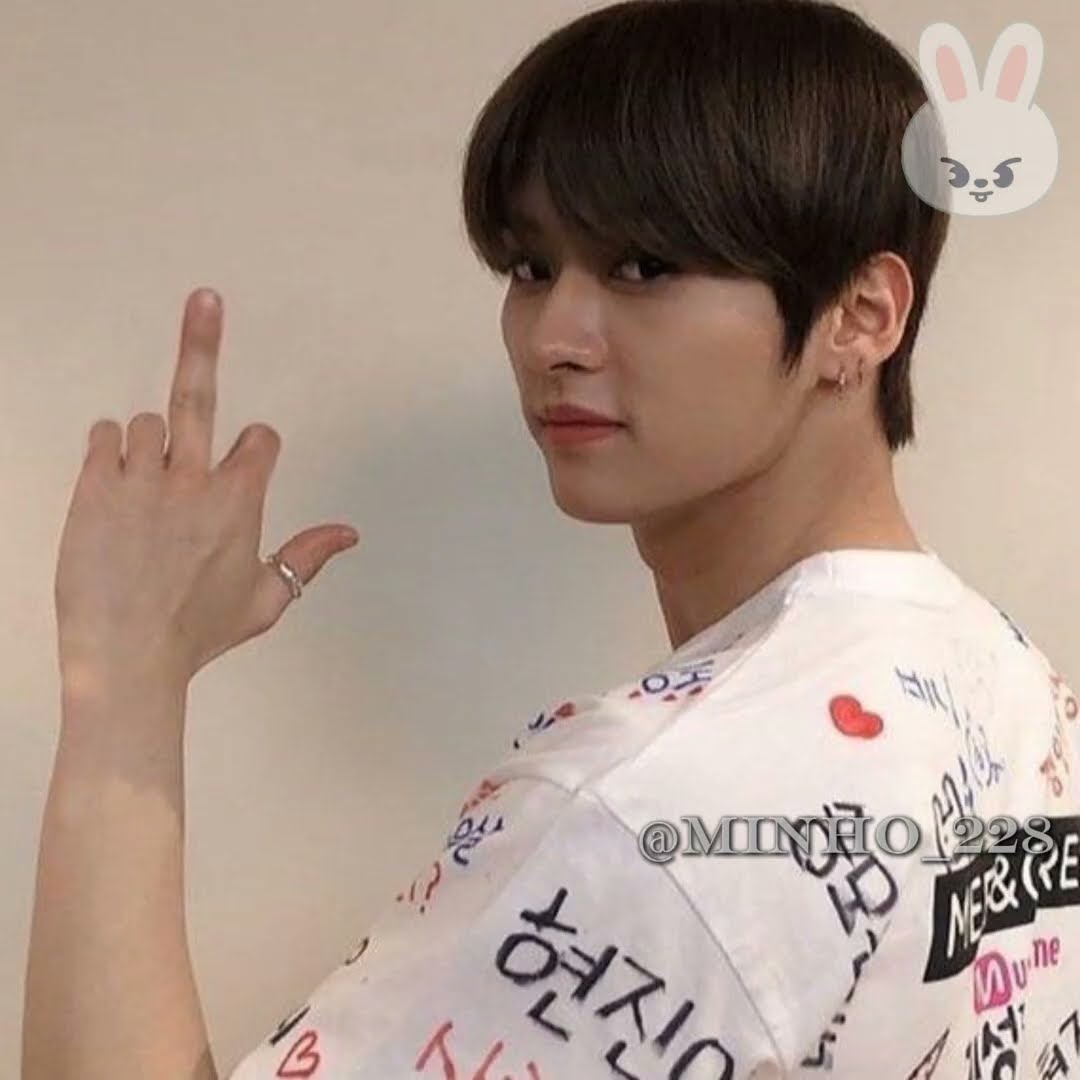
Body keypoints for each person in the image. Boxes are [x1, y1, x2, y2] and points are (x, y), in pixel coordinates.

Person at [24, 0, 1078, 1077]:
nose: (553, 340)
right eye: (531, 268)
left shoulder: (647, 815)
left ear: (861, 314)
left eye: (644, 266)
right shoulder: (1014, 688)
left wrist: (123, 684)